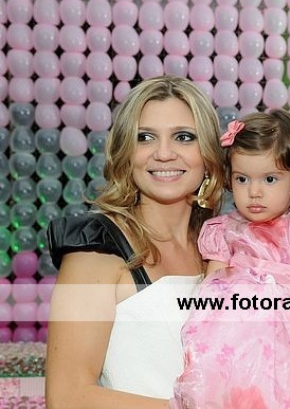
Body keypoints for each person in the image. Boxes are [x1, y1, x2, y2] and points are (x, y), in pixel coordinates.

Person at [45, 75, 224, 408]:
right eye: (145, 137)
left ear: (209, 153)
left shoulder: (221, 246)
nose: (164, 153)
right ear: (126, 152)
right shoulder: (96, 249)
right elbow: (67, 396)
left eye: (184, 137)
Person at [172, 110, 290, 409]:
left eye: (270, 179)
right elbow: (207, 305)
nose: (254, 192)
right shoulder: (223, 233)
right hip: (233, 365)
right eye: (242, 179)